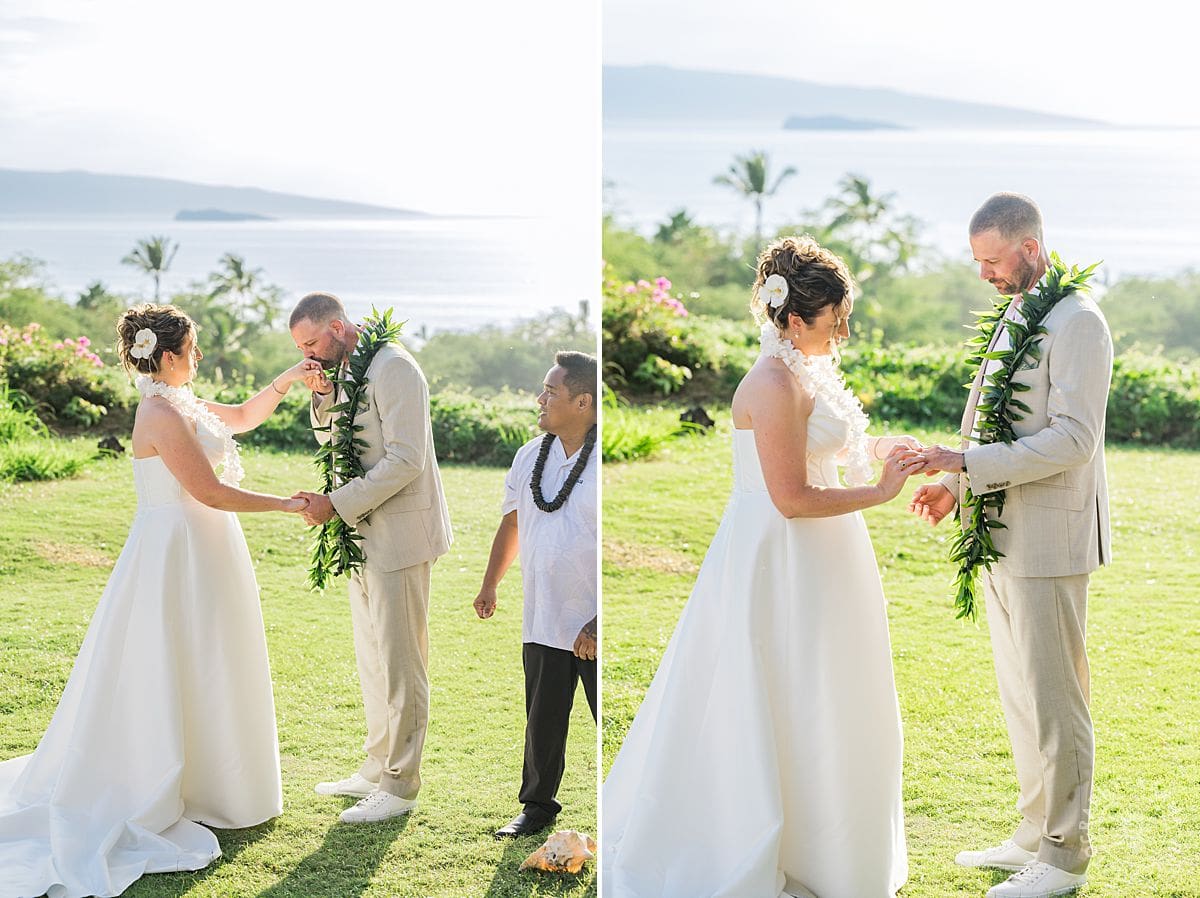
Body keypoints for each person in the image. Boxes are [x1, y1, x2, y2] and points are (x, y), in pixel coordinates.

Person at [602, 236, 927, 898]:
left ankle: (831, 851)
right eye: (834, 322)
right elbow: (791, 497)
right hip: (781, 558)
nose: (840, 335)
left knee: (830, 695)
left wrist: (880, 450)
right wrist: (881, 492)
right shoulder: (774, 383)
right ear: (797, 318)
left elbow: (829, 448)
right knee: (785, 693)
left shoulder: (803, 370)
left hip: (826, 555)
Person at [0, 303, 319, 898]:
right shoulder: (159, 412)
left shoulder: (180, 401)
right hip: (176, 553)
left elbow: (244, 417)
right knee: (173, 659)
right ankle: (169, 779)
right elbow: (209, 491)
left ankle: (212, 782)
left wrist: (290, 379)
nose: (198, 358)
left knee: (210, 660)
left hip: (205, 549)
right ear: (167, 356)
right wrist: (287, 505)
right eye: (193, 350)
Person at [908, 192, 1112, 898]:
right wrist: (958, 486)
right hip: (1000, 533)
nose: (985, 275)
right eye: (978, 263)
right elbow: (992, 427)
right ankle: (1032, 833)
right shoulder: (1018, 314)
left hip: (1051, 535)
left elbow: (1074, 439)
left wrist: (962, 462)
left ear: (1029, 249)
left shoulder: (1078, 321)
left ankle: (1064, 857)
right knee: (1022, 695)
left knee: (1057, 700)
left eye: (993, 260)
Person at [289, 291, 452, 824]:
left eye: (312, 342)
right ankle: (376, 766)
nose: (308, 353)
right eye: (300, 348)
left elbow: (406, 458)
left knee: (403, 664)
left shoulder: (394, 368)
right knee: (373, 659)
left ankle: (401, 786)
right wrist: (320, 394)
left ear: (338, 326)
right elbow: (334, 441)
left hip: (400, 537)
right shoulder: (346, 371)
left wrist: (336, 504)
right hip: (360, 536)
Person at [472, 351, 598, 839]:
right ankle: (537, 805)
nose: (539, 399)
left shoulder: (604, 463)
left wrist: (599, 621)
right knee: (541, 717)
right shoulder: (530, 453)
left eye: (551, 392)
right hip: (543, 613)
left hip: (591, 622)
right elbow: (513, 521)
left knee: (606, 718)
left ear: (583, 402)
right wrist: (490, 583)